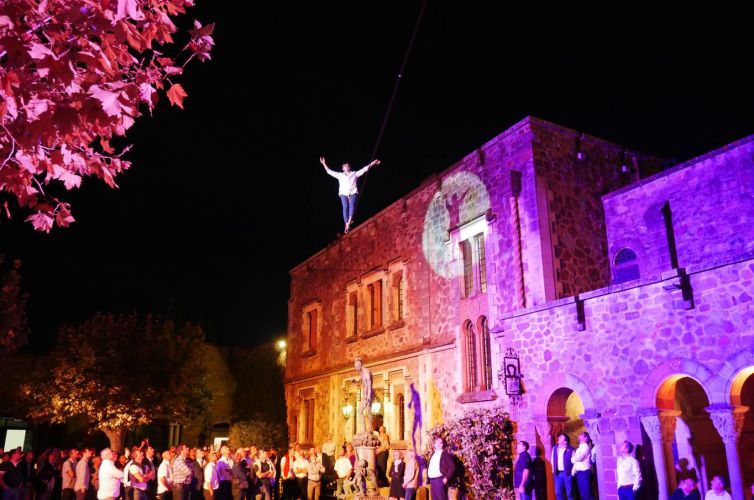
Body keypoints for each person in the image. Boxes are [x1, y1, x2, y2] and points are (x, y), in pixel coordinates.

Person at [318, 157, 380, 233]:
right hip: (343, 193)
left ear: (349, 167)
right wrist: (324, 163)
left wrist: (373, 163)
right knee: (345, 207)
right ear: (343, 168)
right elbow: (329, 171)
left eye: (347, 166)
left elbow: (364, 169)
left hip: (353, 193)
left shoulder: (354, 174)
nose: (346, 167)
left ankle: (349, 222)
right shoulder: (340, 175)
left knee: (352, 205)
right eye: (345, 166)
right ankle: (346, 223)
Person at [550, 433, 574, 500]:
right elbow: (552, 459)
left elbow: (574, 462)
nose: (559, 438)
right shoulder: (555, 448)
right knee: (558, 493)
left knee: (569, 493)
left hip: (567, 473)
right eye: (559, 437)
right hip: (558, 474)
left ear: (565, 441)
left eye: (561, 438)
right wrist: (553, 472)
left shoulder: (571, 449)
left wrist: (572, 473)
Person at [354, 358, 375, 434]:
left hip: (369, 394)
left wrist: (368, 396)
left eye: (356, 367)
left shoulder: (366, 372)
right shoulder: (361, 372)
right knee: (360, 411)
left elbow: (369, 385)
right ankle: (363, 430)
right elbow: (363, 384)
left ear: (360, 365)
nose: (355, 369)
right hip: (365, 394)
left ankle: (370, 429)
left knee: (367, 412)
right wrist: (355, 383)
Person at [571, 432, 592, 500]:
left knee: (586, 493)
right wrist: (574, 458)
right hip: (580, 473)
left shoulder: (585, 446)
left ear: (586, 438)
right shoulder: (580, 447)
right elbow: (574, 460)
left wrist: (573, 458)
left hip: (584, 472)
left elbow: (578, 458)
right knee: (582, 493)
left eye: (582, 434)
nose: (579, 435)